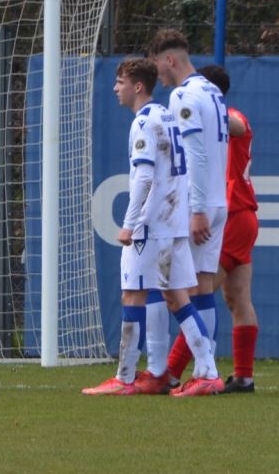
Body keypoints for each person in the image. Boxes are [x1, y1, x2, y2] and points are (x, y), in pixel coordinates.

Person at [82, 58, 222, 396]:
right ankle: (208, 372)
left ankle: (124, 378)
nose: (115, 89)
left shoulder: (144, 122)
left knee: (133, 294)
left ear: (138, 86)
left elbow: (144, 177)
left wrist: (130, 224)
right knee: (177, 297)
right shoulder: (167, 115)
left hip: (152, 226)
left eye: (120, 82)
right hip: (174, 223)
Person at [147, 29, 229, 395]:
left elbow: (195, 153)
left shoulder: (183, 95)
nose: (158, 75)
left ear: (169, 60)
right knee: (203, 288)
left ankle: (202, 372)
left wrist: (195, 210)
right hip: (217, 200)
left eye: (157, 66)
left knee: (174, 288)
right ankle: (202, 371)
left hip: (199, 204)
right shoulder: (212, 92)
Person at [196, 64, 259, 393]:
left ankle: (174, 372)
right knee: (237, 297)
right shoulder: (205, 127)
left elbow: (237, 125)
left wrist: (208, 107)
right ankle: (244, 378)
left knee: (198, 293)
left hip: (235, 214)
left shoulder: (230, 115)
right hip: (238, 215)